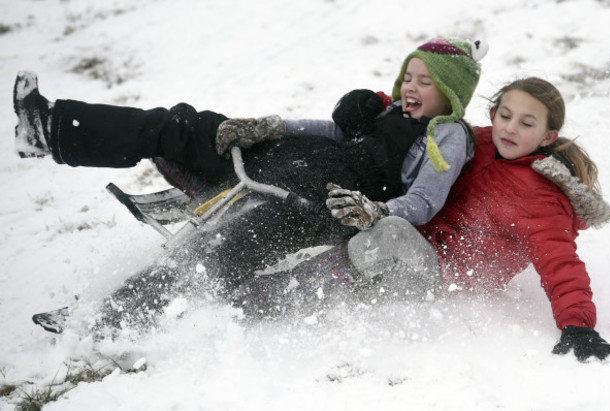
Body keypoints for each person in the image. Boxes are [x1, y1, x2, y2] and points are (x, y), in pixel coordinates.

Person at [16, 38, 488, 333]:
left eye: (425, 81)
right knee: (182, 125)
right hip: (289, 159)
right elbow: (330, 131)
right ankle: (50, 128)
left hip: (317, 203)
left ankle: (104, 318)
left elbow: (424, 201)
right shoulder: (385, 112)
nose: (410, 85)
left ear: (450, 93)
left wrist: (376, 212)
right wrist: (271, 126)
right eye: (409, 74)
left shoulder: (445, 134)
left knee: (222, 247)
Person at [247, 77, 610, 363]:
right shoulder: (474, 141)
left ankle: (282, 293)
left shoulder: (542, 198)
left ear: (548, 136)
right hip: (412, 244)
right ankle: (247, 230)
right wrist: (380, 105)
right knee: (368, 193)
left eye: (526, 124)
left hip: (441, 280)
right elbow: (418, 123)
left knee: (389, 232)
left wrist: (577, 325)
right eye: (505, 116)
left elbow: (560, 263)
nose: (510, 128)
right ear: (493, 114)